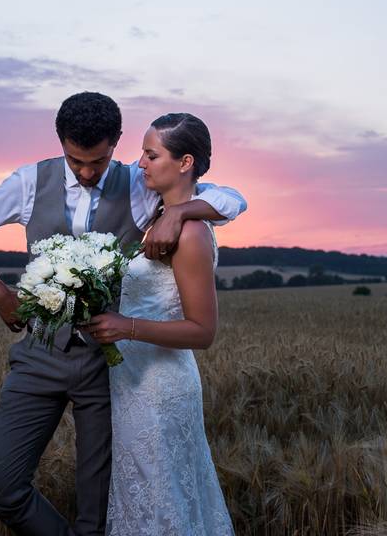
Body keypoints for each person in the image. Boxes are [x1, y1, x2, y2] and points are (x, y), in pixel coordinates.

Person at [0, 92, 246, 535]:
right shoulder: (30, 181)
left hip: (107, 368)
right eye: (75, 162)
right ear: (61, 143)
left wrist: (181, 210)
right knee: (1, 485)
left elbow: (230, 198)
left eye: (99, 162)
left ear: (116, 144)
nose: (87, 173)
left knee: (99, 508)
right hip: (38, 356)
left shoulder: (138, 183)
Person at [86, 112, 236, 535]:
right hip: (131, 384)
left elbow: (203, 331)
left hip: (160, 389)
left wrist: (125, 327)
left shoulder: (188, 233)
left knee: (161, 501)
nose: (141, 164)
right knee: (142, 502)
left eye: (151, 155)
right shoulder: (159, 218)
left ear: (185, 162)